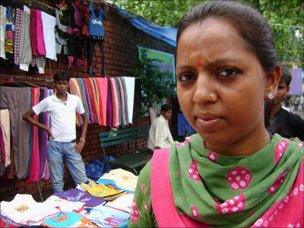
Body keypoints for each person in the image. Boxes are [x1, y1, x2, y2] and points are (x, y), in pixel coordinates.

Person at [129, 1, 303, 227]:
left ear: (270, 80)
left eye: (227, 72)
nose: (200, 95)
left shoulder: (297, 173)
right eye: (187, 77)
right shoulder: (159, 175)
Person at [23, 71, 89, 192]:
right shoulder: (49, 101)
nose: (62, 86)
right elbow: (26, 116)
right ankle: (60, 206)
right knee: (57, 181)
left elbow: (85, 118)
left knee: (82, 180)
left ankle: (86, 205)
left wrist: (82, 139)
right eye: (59, 83)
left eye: (64, 83)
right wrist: (46, 128)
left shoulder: (75, 99)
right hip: (55, 146)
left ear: (68, 85)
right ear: (55, 84)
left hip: (72, 145)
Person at [268, 67, 304, 140]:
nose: (274, 92)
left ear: (287, 90)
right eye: (271, 85)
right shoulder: (251, 117)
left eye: (280, 88)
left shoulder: (295, 121)